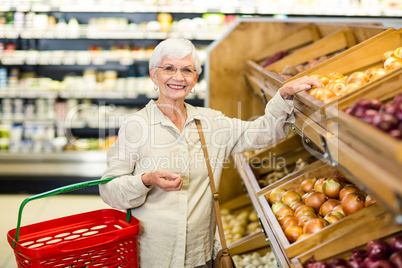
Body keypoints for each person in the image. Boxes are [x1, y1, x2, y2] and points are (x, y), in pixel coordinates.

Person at [99, 37, 324, 267]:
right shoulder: (136, 126)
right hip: (152, 257)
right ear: (153, 75)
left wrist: (283, 95)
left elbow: (264, 132)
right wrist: (145, 180)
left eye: (187, 70)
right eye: (169, 68)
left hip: (201, 257)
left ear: (195, 79)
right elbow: (109, 189)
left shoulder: (211, 122)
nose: (178, 77)